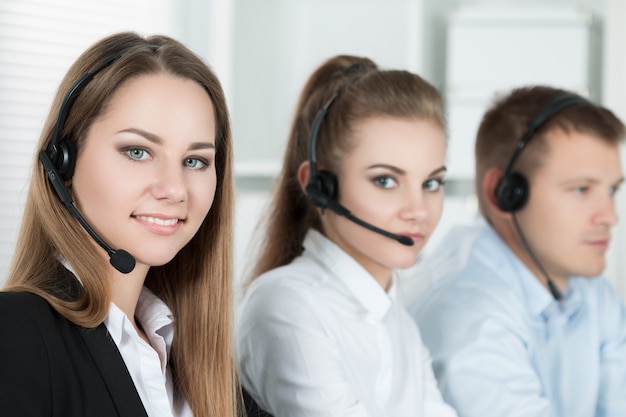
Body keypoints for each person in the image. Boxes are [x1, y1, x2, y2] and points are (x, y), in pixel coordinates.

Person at [0, 32, 240, 417]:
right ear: (62, 163)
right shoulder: (16, 334)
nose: (175, 189)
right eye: (138, 151)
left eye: (195, 161)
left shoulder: (194, 359)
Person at [236, 54, 458, 417]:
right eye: (386, 180)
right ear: (319, 186)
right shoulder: (287, 305)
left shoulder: (396, 318)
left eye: (431, 183)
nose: (418, 210)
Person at [410, 85, 626, 417]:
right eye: (582, 189)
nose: (610, 216)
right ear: (505, 193)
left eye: (611, 189)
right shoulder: (469, 314)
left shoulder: (588, 286)